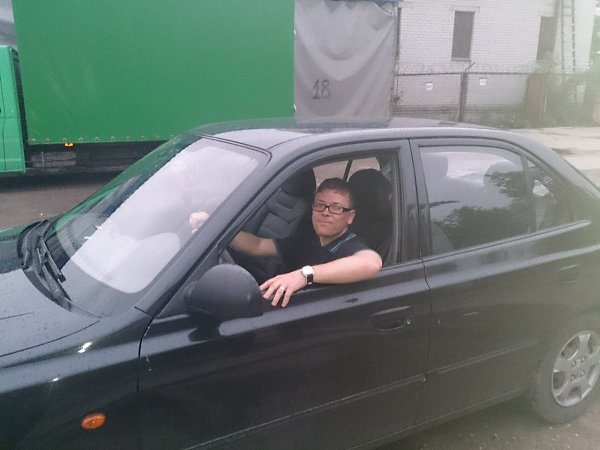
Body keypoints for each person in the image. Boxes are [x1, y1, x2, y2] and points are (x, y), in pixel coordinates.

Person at [190, 177, 382, 308]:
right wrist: (215, 228)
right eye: (320, 205)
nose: (325, 212)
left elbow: (371, 263)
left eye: (336, 208)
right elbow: (258, 246)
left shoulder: (350, 245)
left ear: (350, 216)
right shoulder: (307, 238)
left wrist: (304, 275)